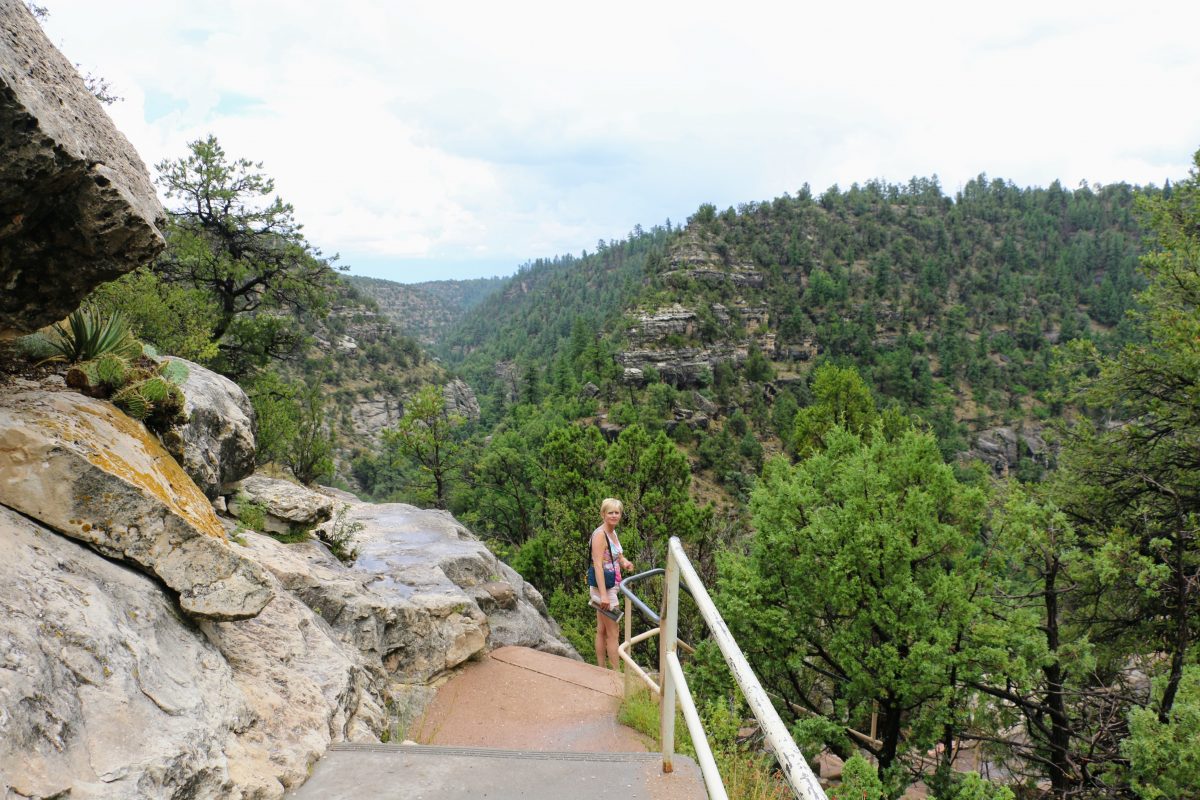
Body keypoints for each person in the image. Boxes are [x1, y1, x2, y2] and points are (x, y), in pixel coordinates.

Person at [589, 497, 634, 670]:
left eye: (617, 513)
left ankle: (602, 669)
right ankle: (615, 675)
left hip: (611, 586)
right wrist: (604, 595)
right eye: (610, 513)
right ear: (603, 514)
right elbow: (598, 566)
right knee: (613, 633)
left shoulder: (612, 533)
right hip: (604, 589)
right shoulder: (600, 535)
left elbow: (618, 556)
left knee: (602, 629)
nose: (614, 516)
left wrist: (625, 563)